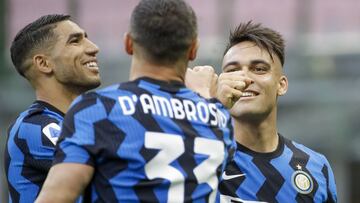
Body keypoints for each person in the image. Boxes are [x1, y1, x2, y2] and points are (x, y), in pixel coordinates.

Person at [35, 0, 237, 202]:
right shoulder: (220, 119)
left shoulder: (98, 110)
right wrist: (203, 96)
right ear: (194, 49)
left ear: (128, 44)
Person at [188, 21, 337, 202]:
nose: (245, 79)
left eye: (259, 69)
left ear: (281, 85)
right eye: (233, 70)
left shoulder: (316, 167)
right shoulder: (202, 155)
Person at [4, 14, 101, 203]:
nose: (93, 48)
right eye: (75, 41)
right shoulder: (34, 127)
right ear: (44, 63)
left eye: (86, 38)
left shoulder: (86, 123)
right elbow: (111, 179)